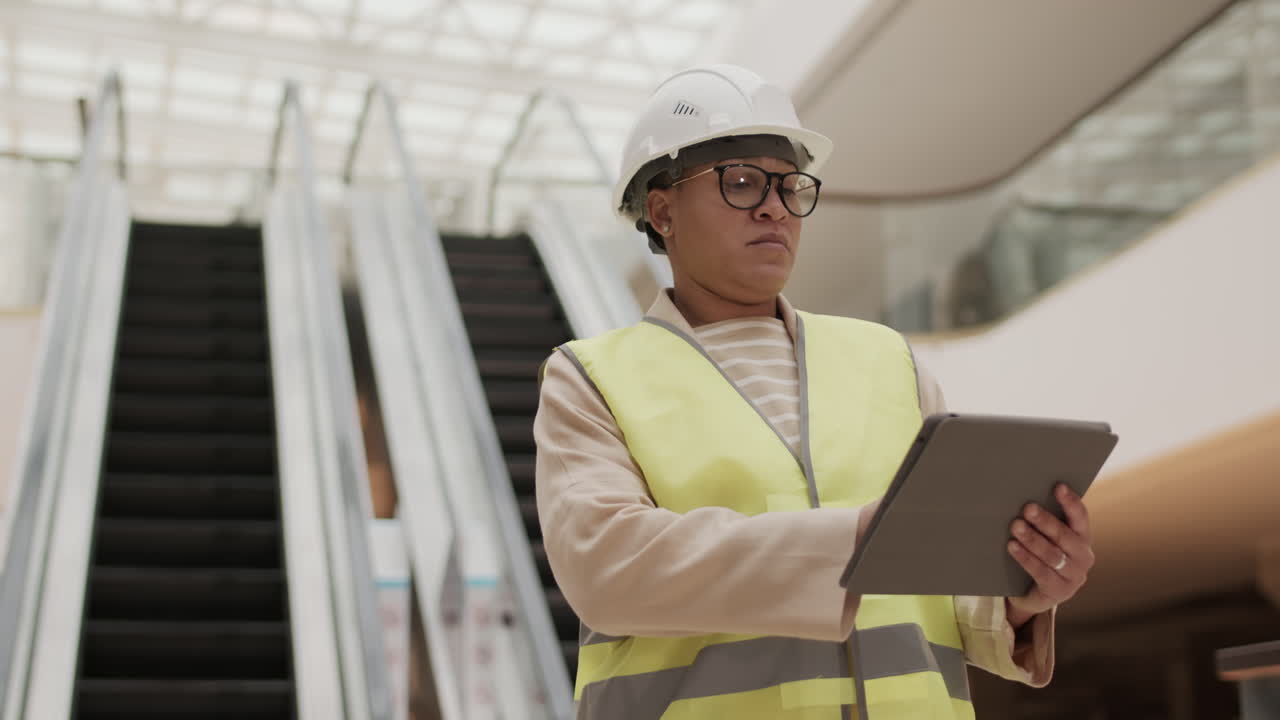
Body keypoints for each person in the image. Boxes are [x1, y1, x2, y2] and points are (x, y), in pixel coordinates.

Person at [533, 64, 1095, 720]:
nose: (775, 207)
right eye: (742, 182)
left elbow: (940, 591)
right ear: (663, 212)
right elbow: (608, 569)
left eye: (791, 186)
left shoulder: (890, 361)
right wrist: (852, 541)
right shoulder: (590, 377)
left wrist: (1021, 594)